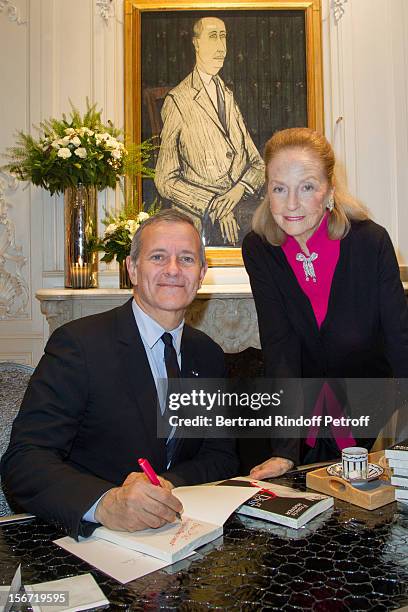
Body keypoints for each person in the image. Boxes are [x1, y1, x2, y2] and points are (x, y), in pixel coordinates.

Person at [1, 210, 238, 538]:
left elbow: (219, 455)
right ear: (132, 269)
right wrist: (105, 503)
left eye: (186, 259)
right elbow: (24, 461)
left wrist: (168, 485)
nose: (173, 270)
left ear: (201, 274)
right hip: (91, 542)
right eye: (158, 257)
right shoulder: (79, 345)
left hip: (174, 537)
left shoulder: (208, 354)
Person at [241, 127, 408, 479]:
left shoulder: (370, 242)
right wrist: (284, 449)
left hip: (369, 401)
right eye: (279, 188)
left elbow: (399, 340)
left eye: (307, 187)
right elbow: (280, 346)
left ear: (329, 191)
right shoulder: (260, 249)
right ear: (267, 191)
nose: (291, 204)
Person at [154, 16, 265, 246]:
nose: (221, 47)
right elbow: (165, 180)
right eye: (212, 37)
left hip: (241, 214)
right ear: (195, 43)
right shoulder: (178, 100)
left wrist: (235, 194)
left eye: (223, 37)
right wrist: (213, 204)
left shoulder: (227, 95)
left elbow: (258, 164)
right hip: (198, 223)